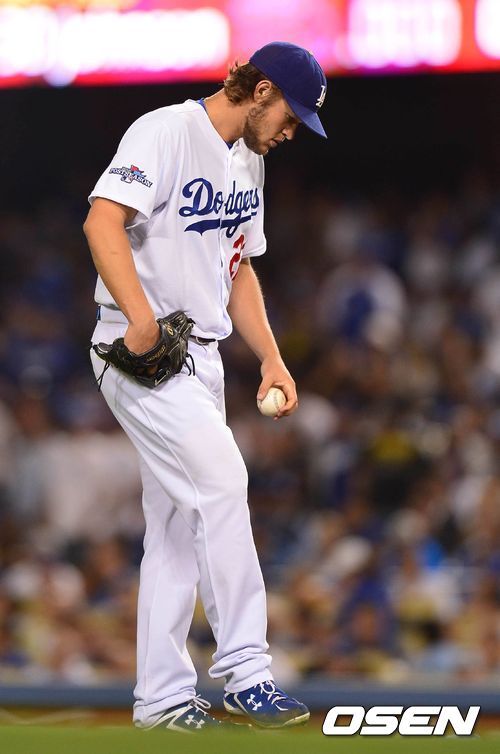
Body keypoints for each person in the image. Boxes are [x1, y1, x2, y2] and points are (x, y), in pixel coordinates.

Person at [83, 41, 327, 733]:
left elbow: (237, 266)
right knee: (222, 482)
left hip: (204, 358)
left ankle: (161, 701)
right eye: (290, 115)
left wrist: (271, 357)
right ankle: (248, 672)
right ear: (260, 90)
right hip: (140, 351)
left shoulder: (249, 159)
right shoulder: (165, 130)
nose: (291, 131)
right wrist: (138, 317)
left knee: (174, 531)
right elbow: (102, 218)